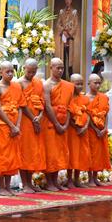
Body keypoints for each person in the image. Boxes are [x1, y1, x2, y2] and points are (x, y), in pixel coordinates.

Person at [0, 61, 26, 196]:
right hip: (2, 125)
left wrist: (17, 125)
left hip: (14, 126)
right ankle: (1, 187)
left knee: (13, 156)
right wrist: (11, 125)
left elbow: (20, 107)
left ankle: (8, 186)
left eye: (12, 71)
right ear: (1, 72)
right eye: (8, 72)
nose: (10, 74)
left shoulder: (17, 87)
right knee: (2, 156)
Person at [43, 58, 74, 191]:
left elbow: (69, 106)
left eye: (62, 68)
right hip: (50, 122)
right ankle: (49, 182)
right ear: (51, 68)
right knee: (50, 153)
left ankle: (55, 181)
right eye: (58, 68)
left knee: (60, 153)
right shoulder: (46, 85)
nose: (60, 70)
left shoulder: (67, 85)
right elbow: (47, 106)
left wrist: (66, 124)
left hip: (63, 122)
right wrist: (56, 123)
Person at [18, 59, 46, 193]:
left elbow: (42, 101)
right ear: (24, 68)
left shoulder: (38, 83)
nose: (31, 74)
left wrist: (39, 117)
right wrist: (33, 119)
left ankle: (30, 182)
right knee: (25, 151)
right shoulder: (18, 83)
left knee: (33, 152)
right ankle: (25, 183)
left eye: (34, 72)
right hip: (25, 120)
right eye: (29, 72)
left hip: (37, 119)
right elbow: (21, 104)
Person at [67, 74, 91, 188]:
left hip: (83, 131)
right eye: (77, 84)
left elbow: (89, 114)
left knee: (81, 154)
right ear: (71, 83)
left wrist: (85, 126)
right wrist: (76, 127)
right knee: (72, 154)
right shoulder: (68, 98)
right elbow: (68, 116)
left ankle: (77, 179)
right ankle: (69, 179)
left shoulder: (85, 98)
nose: (80, 86)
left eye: (81, 83)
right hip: (72, 130)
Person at [86, 74, 111, 186]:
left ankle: (95, 178)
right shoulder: (85, 98)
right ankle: (90, 178)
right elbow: (87, 116)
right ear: (89, 83)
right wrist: (95, 129)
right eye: (95, 82)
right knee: (91, 153)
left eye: (99, 82)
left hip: (102, 131)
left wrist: (105, 128)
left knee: (100, 154)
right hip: (91, 130)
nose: (97, 85)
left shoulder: (104, 97)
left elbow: (106, 114)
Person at [56, 0, 79, 80]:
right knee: (63, 57)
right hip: (63, 38)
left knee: (70, 59)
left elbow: (76, 25)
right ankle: (63, 76)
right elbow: (58, 23)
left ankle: (71, 76)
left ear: (71, 1)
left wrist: (69, 33)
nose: (67, 1)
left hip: (70, 38)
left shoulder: (74, 12)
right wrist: (63, 31)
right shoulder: (61, 11)